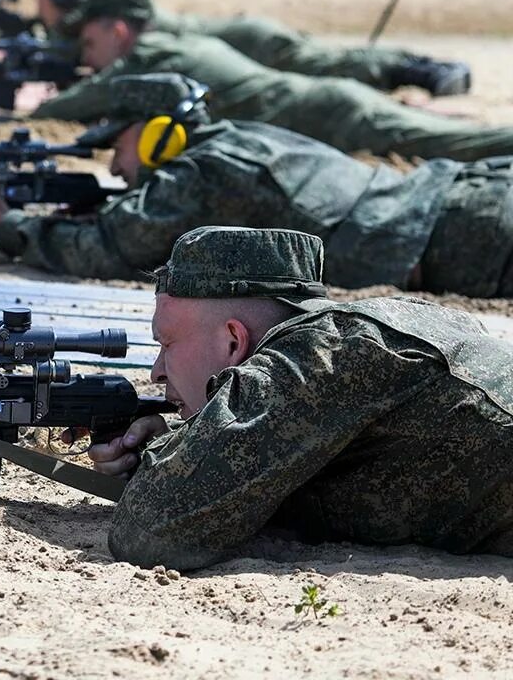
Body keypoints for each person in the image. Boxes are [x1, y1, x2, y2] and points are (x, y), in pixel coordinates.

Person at [87, 225, 513, 569]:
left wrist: (169, 456)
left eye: (167, 344)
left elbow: (152, 531)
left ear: (234, 341)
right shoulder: (357, 338)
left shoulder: (314, 357)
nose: (157, 371)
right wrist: (186, 443)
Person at [0, 73, 513, 298]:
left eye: (117, 143)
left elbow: (112, 248)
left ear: (157, 133)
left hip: (460, 239)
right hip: (464, 199)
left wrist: (9, 225)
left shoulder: (199, 172)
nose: (117, 163)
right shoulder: (237, 138)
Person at [29, 0, 513, 161]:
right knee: (449, 138)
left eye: (89, 45)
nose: (89, 58)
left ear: (118, 31)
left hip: (334, 116)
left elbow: (81, 101)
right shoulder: (170, 46)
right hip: (330, 106)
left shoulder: (151, 54)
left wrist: (40, 105)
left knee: (457, 145)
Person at [30, 0, 470, 95]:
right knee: (317, 73)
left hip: (247, 40)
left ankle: (419, 69)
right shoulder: (94, 18)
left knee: (320, 62)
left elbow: (67, 39)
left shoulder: (103, 13)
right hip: (235, 44)